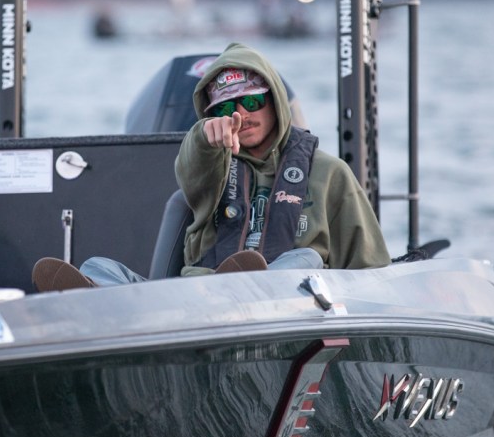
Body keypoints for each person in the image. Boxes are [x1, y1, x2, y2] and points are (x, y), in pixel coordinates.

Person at [32, 41, 390, 292]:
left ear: (276, 101)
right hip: (199, 298)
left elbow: (371, 269)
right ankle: (97, 301)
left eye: (252, 101)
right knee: (97, 266)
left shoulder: (330, 173)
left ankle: (250, 286)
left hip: (287, 302)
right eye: (225, 109)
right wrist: (205, 136)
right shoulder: (210, 165)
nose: (240, 115)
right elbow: (190, 165)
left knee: (306, 260)